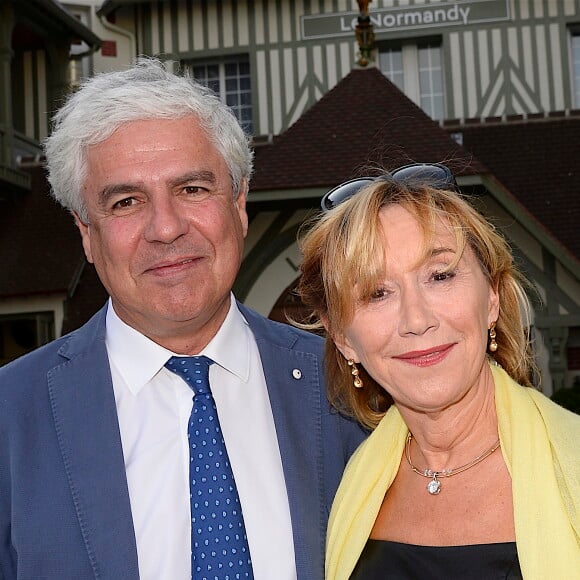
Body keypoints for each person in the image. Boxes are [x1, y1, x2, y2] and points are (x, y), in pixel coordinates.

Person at [0, 58, 366, 580]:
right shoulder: (11, 418)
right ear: (86, 232)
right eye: (126, 201)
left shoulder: (351, 389)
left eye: (192, 189)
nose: (166, 228)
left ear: (238, 204)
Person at [297, 164, 580, 579]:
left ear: (492, 298)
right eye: (378, 293)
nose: (416, 318)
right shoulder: (351, 488)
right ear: (343, 337)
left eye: (441, 275)